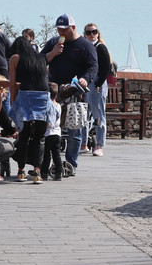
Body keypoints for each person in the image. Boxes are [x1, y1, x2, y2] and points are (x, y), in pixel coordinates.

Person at [40, 14, 97, 175]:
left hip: (76, 90)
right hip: (55, 91)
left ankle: (70, 164)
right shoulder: (53, 42)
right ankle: (47, 163)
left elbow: (93, 66)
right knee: (50, 128)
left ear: (73, 27)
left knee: (74, 130)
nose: (61, 32)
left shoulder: (85, 45)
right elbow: (40, 60)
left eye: (64, 29)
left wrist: (86, 79)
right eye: (59, 29)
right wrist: (53, 53)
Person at [9, 36, 51, 184]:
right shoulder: (41, 58)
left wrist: (13, 101)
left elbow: (12, 84)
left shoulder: (15, 58)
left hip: (25, 95)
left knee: (24, 135)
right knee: (40, 137)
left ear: (16, 48)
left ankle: (21, 171)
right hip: (42, 96)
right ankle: (37, 172)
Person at [82, 22, 111, 157]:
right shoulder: (84, 48)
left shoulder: (101, 48)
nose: (92, 34)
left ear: (98, 33)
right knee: (84, 113)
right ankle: (83, 143)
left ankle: (99, 144)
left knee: (98, 114)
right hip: (86, 83)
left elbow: (106, 67)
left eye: (94, 31)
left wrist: (99, 83)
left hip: (97, 83)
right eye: (89, 32)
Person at [41, 82, 63, 181]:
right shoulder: (58, 105)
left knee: (46, 155)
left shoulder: (47, 106)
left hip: (48, 133)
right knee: (56, 154)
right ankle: (59, 171)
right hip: (57, 133)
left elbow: (48, 122)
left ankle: (44, 172)